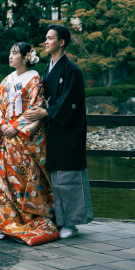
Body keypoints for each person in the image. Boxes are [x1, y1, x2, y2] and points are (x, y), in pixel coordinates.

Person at [0, 42, 59, 246]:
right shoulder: (7, 80)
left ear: (25, 57)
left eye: (14, 53)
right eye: (10, 53)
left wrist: (16, 126)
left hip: (23, 140)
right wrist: (3, 124)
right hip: (5, 139)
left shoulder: (34, 79)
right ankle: (0, 223)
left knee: (21, 183)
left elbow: (37, 108)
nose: (10, 56)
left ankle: (20, 222)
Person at [25, 25, 93, 239]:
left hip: (68, 131)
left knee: (68, 177)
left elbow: (70, 103)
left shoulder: (72, 70)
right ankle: (60, 220)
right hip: (53, 129)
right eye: (45, 38)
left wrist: (46, 111)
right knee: (55, 178)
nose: (46, 42)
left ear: (61, 42)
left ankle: (71, 224)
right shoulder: (49, 68)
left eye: (50, 38)